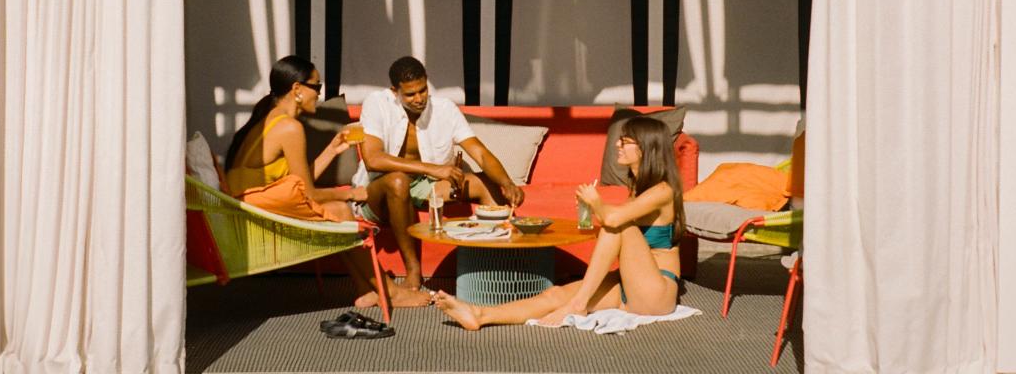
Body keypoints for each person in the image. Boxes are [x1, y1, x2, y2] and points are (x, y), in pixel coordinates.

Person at [434, 116, 685, 329]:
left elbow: (614, 221)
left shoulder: (662, 191)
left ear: (645, 148)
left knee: (617, 225)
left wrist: (596, 203)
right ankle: (479, 315)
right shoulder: (637, 189)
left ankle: (578, 305)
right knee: (555, 294)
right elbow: (612, 229)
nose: (617, 145)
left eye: (625, 141)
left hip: (656, 292)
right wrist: (593, 208)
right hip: (629, 285)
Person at [224, 55, 430, 307]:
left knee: (339, 210)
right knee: (341, 209)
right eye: (317, 87)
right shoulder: (289, 127)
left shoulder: (272, 118)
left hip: (247, 204)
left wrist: (332, 149)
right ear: (297, 89)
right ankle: (388, 291)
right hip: (254, 211)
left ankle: (368, 289)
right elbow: (307, 193)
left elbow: (296, 182)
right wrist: (351, 194)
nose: (319, 95)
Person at [353, 56, 526, 293]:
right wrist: (434, 168)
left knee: (485, 184)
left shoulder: (445, 109)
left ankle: (494, 267)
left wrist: (507, 183)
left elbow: (480, 152)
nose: (419, 99)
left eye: (423, 90)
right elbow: (372, 159)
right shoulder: (377, 103)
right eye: (410, 94)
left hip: (425, 186)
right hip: (379, 189)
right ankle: (414, 270)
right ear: (395, 92)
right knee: (397, 180)